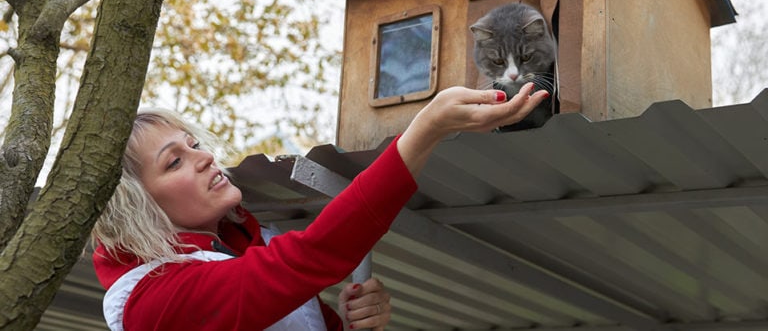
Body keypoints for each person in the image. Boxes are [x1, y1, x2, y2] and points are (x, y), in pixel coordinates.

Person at [91, 83, 549, 330]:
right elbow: (310, 256)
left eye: (193, 144)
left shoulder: (236, 251)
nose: (205, 156)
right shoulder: (151, 301)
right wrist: (425, 129)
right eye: (175, 161)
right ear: (135, 205)